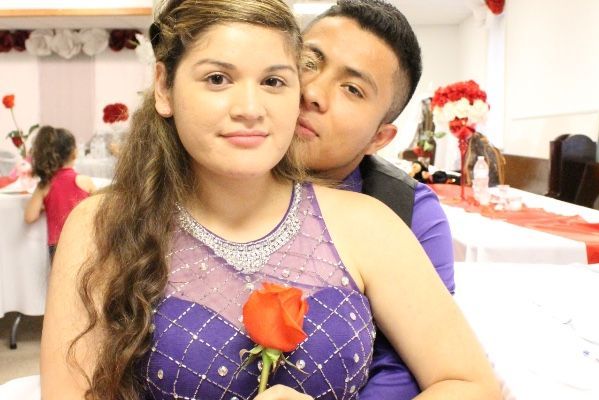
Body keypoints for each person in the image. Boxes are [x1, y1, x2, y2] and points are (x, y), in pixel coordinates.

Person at [40, 1, 501, 399]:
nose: (250, 108)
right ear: (164, 88)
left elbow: (469, 382)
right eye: (217, 78)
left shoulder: (369, 223)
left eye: (274, 82)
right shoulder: (103, 225)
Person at [296, 1, 455, 398]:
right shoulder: (215, 174)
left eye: (352, 89)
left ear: (379, 138)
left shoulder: (406, 210)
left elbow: (408, 367)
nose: (312, 92)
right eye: (308, 63)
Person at [24, 125, 95, 262]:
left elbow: (29, 217)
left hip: (57, 245)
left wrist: (46, 205)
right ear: (74, 153)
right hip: (84, 241)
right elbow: (99, 209)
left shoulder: (45, 185)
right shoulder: (85, 181)